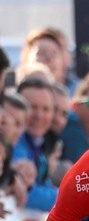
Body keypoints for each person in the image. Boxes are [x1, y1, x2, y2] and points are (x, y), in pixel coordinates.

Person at [11, 78, 59, 211]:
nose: (39, 115)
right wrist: (74, 195)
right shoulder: (12, 142)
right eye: (32, 107)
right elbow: (28, 194)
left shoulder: (38, 143)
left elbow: (43, 185)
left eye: (46, 109)